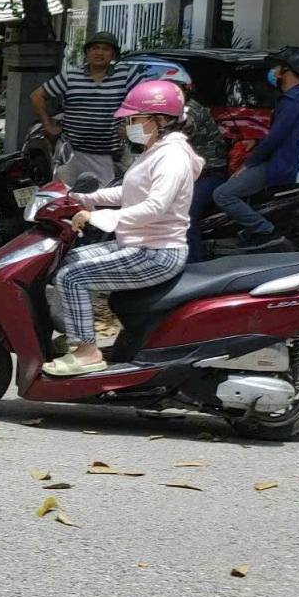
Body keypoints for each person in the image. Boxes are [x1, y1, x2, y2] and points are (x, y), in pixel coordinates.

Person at [43, 79, 201, 377]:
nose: (128, 124)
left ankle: (87, 352)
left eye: (135, 118)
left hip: (156, 253)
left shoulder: (172, 158)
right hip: (139, 244)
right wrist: (83, 199)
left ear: (161, 120)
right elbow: (128, 193)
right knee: (71, 260)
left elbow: (154, 207)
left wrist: (99, 218)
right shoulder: (155, 150)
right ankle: (77, 334)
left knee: (72, 277)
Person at [213, 47, 299, 250]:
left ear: (286, 71)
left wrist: (250, 162)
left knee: (222, 194)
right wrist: (257, 143)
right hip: (285, 158)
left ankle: (264, 231)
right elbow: (284, 135)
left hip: (280, 163)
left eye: (277, 67)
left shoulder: (293, 102)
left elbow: (276, 139)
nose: (273, 71)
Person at [140, 61, 228, 261]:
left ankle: (195, 266)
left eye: (176, 88)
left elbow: (180, 128)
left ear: (186, 89)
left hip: (209, 173)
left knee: (183, 216)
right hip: (186, 173)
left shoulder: (189, 110)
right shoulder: (168, 111)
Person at [31, 32, 140, 189]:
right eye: (95, 48)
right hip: (71, 152)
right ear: (87, 52)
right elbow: (37, 95)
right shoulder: (71, 76)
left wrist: (131, 125)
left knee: (101, 200)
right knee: (63, 196)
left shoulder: (126, 75)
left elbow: (146, 99)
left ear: (114, 54)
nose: (100, 53)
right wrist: (47, 124)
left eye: (106, 49)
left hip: (105, 154)